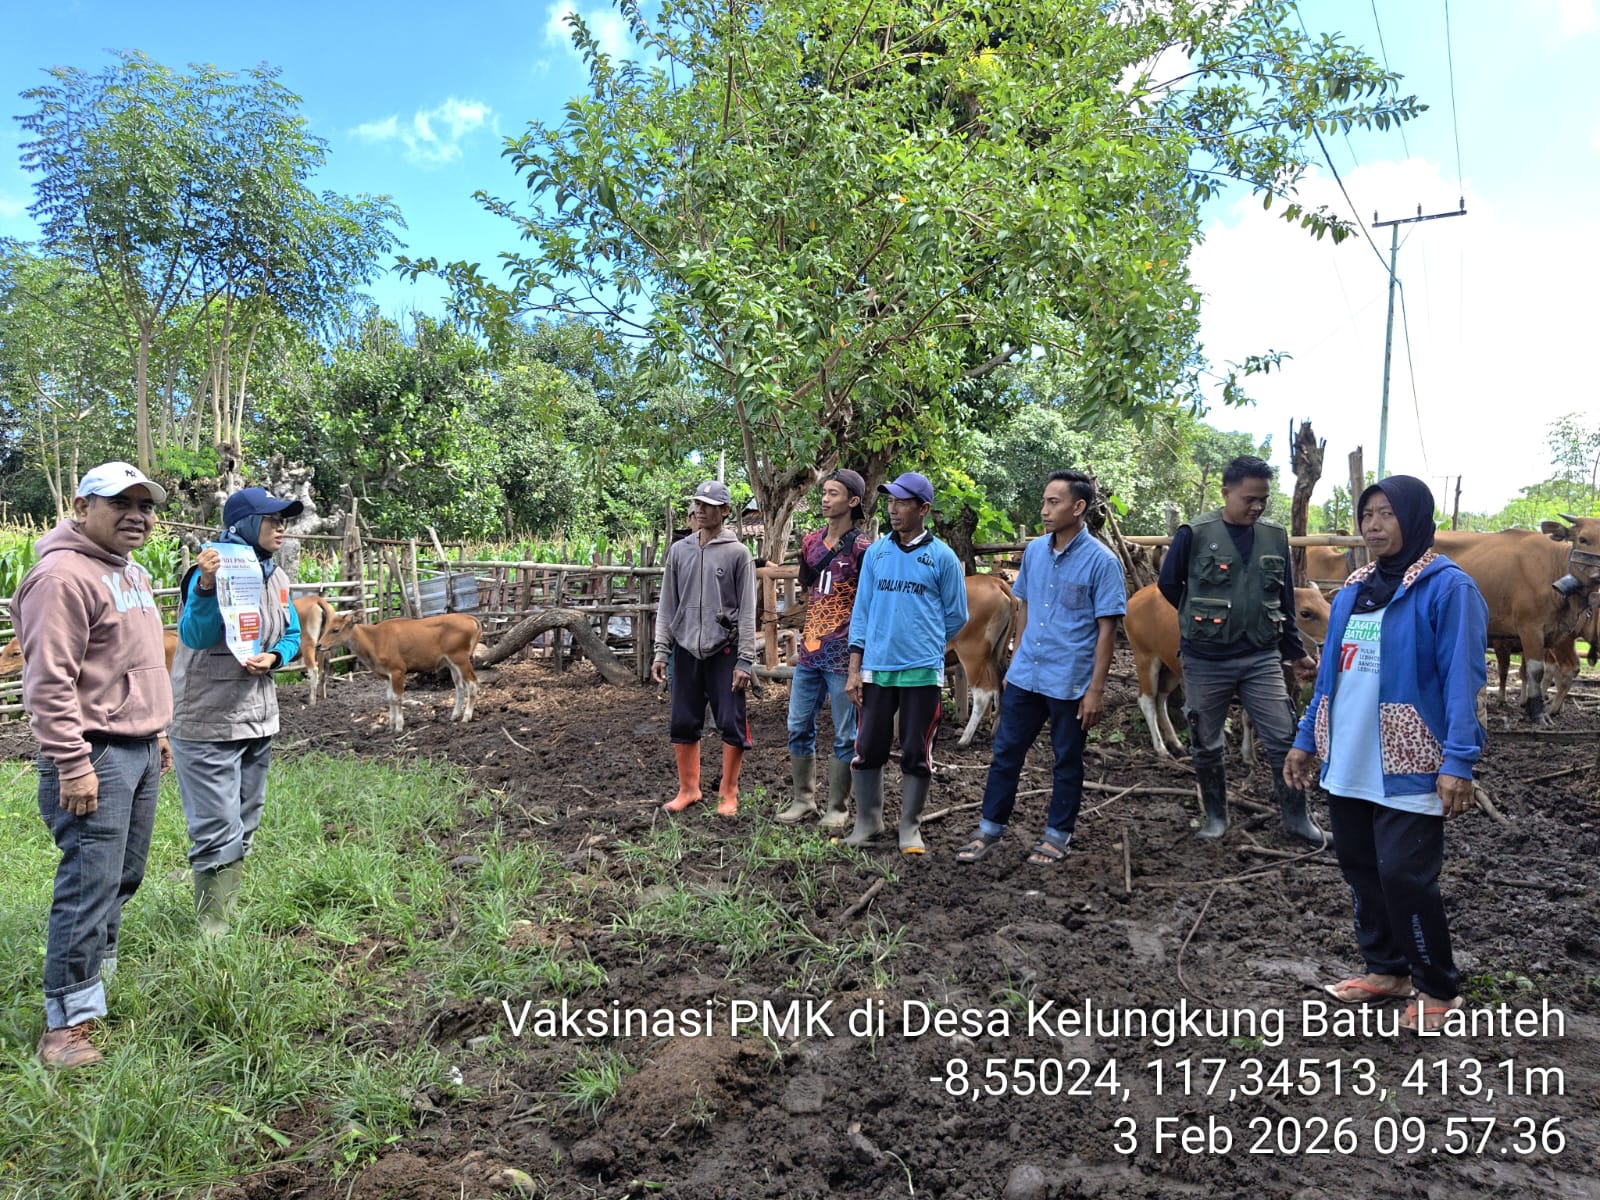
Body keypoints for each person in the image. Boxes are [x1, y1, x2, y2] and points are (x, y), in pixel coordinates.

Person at [1284, 476, 1487, 1034]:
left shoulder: (1449, 589)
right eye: (1366, 514)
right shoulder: (1354, 590)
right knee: (1359, 866)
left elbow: (1463, 680)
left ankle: (1436, 986)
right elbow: (1331, 676)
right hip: (1349, 754)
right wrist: (1307, 738)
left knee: (1404, 875)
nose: (1372, 526)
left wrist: (1459, 761)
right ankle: (1386, 970)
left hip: (1411, 759)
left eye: (1386, 514)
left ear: (1415, 519)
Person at [12, 461, 173, 1068]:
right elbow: (49, 683)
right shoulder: (61, 577)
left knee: (122, 876)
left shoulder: (131, 571)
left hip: (137, 744)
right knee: (88, 885)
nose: (138, 516)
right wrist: (73, 763)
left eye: (146, 505)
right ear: (82, 507)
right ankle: (65, 1028)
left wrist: (155, 729)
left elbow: (133, 661)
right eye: (120, 503)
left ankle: (92, 987)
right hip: (95, 752)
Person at [956, 471, 1126, 865]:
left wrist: (1096, 690)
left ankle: (1057, 835)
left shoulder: (1103, 562)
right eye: (1044, 502)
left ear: (1078, 507)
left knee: (1066, 760)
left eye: (1054, 502)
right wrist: (1015, 658)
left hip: (1070, 681)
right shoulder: (1034, 552)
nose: (1044, 510)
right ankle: (989, 828)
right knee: (1005, 753)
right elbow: (1025, 608)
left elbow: (1107, 630)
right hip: (1026, 675)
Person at [1157, 455, 1323, 844]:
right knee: (1206, 741)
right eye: (1249, 499)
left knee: (1282, 736)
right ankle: (1215, 817)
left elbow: (1283, 600)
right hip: (1206, 658)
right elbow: (1169, 585)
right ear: (1226, 493)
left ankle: (1297, 818)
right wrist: (1203, 618)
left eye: (1263, 499)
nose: (1257, 506)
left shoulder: (1274, 536)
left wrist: (1294, 651)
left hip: (1260, 658)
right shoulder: (1195, 534)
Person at [169, 487, 304, 936]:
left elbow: (291, 634)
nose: (281, 528)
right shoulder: (209, 571)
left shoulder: (276, 577)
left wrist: (276, 656)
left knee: (246, 819)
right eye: (271, 520)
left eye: (284, 520)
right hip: (207, 720)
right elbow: (195, 635)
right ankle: (213, 932)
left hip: (257, 717)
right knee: (216, 826)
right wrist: (207, 587)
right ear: (244, 524)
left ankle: (225, 910)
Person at [844, 472, 968, 853]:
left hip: (921, 672)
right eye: (890, 501)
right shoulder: (876, 554)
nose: (892, 509)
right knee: (868, 746)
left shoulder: (943, 558)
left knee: (916, 749)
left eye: (901, 502)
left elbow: (956, 615)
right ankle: (868, 821)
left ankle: (910, 826)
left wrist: (923, 640)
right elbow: (862, 612)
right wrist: (854, 668)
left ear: (923, 508)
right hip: (876, 669)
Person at [652, 480, 757, 816]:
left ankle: (728, 792)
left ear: (724, 511)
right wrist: (661, 649)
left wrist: (745, 659)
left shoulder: (738, 554)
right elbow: (667, 605)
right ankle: (688, 789)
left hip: (724, 650)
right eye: (697, 504)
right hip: (685, 648)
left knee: (730, 721)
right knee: (683, 720)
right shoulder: (679, 551)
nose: (700, 510)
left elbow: (748, 610)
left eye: (709, 506)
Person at [778, 469, 868, 828]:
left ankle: (838, 807)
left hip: (844, 656)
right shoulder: (810, 542)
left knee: (846, 734)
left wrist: (859, 661)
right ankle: (803, 799)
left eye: (834, 493)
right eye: (824, 493)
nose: (825, 499)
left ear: (853, 501)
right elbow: (809, 589)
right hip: (810, 652)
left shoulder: (864, 549)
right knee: (798, 725)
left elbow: (869, 603)